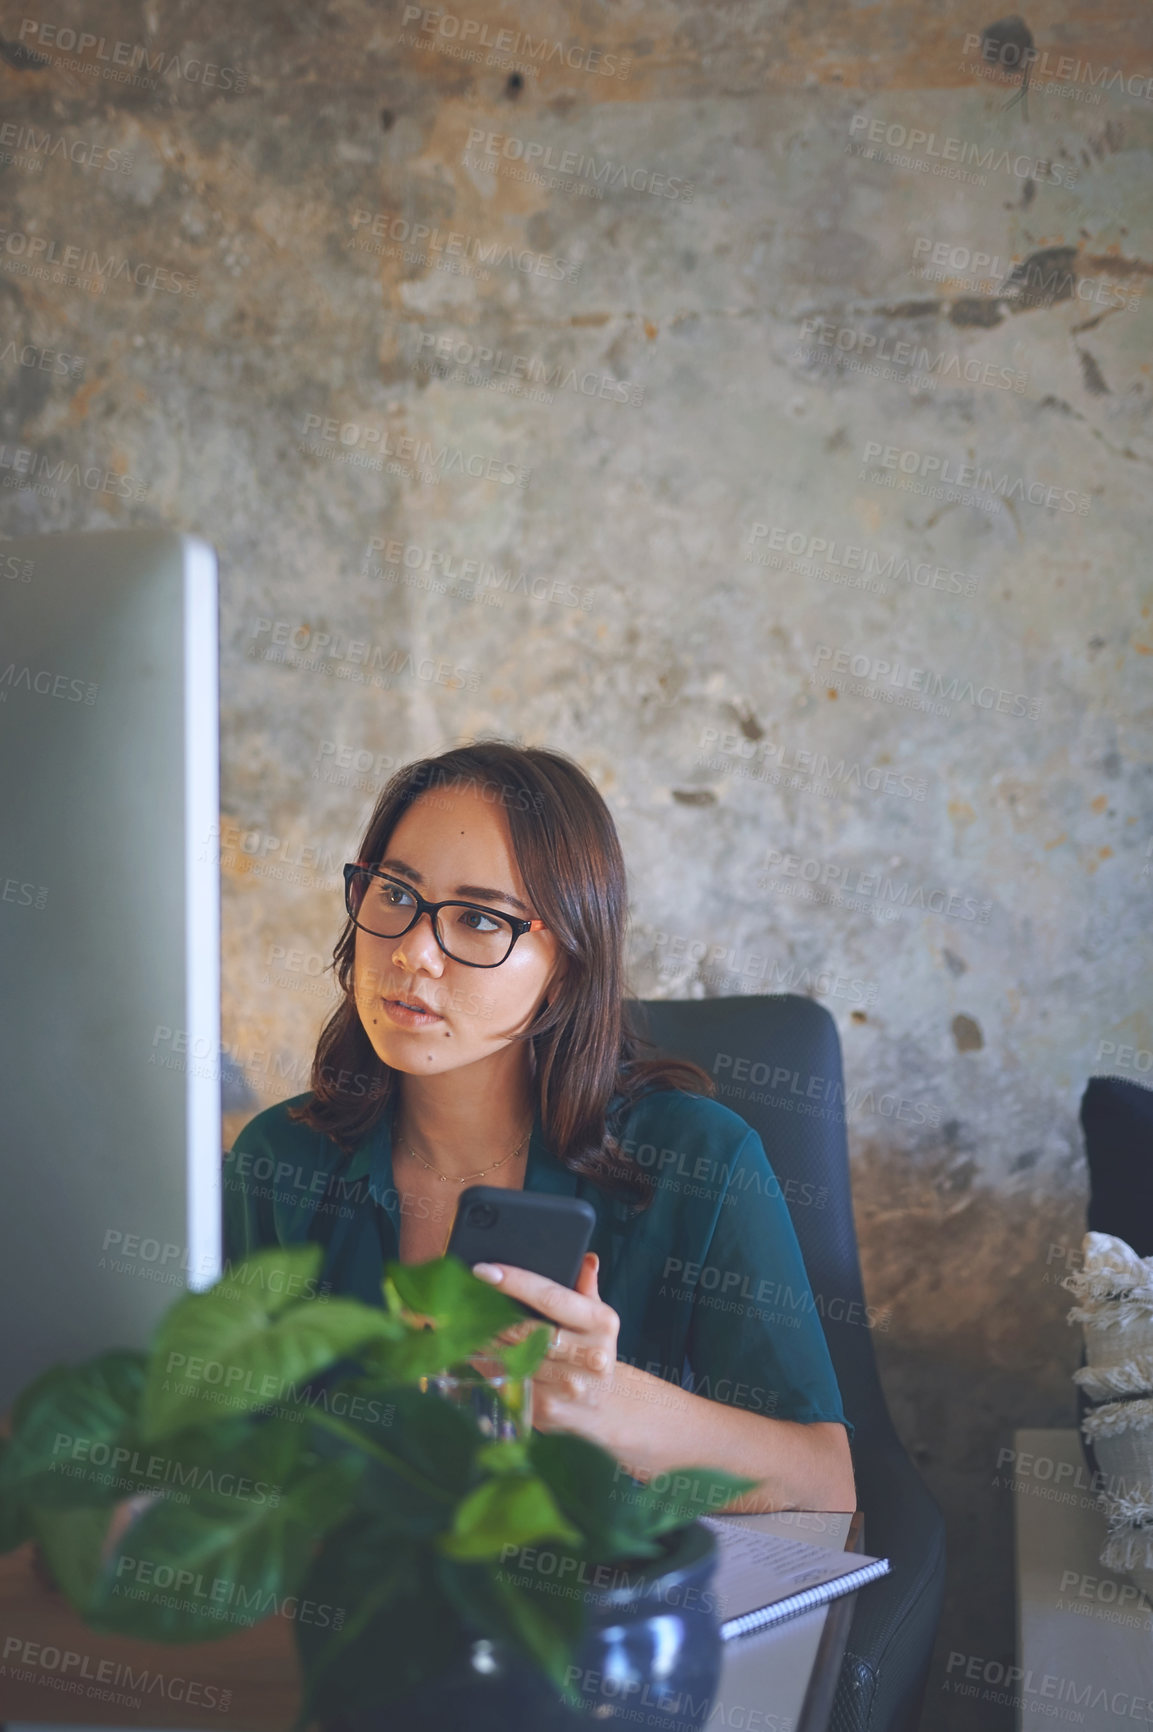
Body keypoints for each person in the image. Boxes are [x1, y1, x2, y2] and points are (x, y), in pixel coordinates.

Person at [224, 741, 856, 1513]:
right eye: (393, 893)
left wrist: (606, 1406)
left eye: (480, 919)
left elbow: (825, 1480)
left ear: (567, 963)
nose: (413, 953)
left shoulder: (700, 1159)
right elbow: (222, 1448)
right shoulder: (279, 1160)